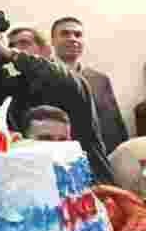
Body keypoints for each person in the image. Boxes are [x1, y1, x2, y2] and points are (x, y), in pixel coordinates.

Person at [0, 29, 114, 184]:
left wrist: (11, 54)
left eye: (24, 43)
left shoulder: (69, 79)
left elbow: (49, 72)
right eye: (11, 45)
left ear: (45, 50)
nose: (16, 48)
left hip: (92, 185)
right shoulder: (17, 93)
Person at [50, 16, 128, 156]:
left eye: (78, 35)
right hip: (61, 157)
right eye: (65, 34)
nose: (72, 39)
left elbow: (115, 124)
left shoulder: (100, 79)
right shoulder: (42, 76)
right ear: (53, 41)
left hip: (103, 158)